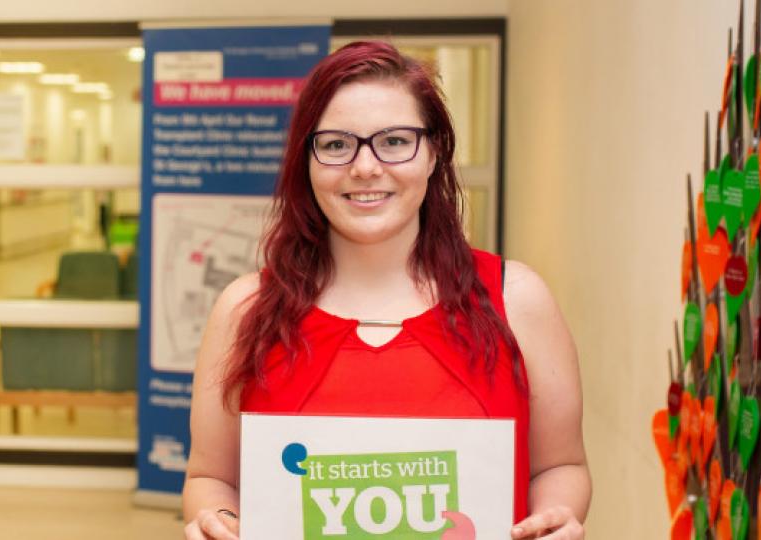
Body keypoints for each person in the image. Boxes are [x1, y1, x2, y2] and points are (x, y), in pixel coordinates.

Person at [181, 41, 590, 539]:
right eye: (336, 144)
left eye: (395, 141)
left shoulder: (517, 299)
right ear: (306, 162)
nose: (366, 167)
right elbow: (211, 478)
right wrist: (217, 522)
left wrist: (558, 518)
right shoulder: (245, 310)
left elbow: (560, 466)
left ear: (434, 152)